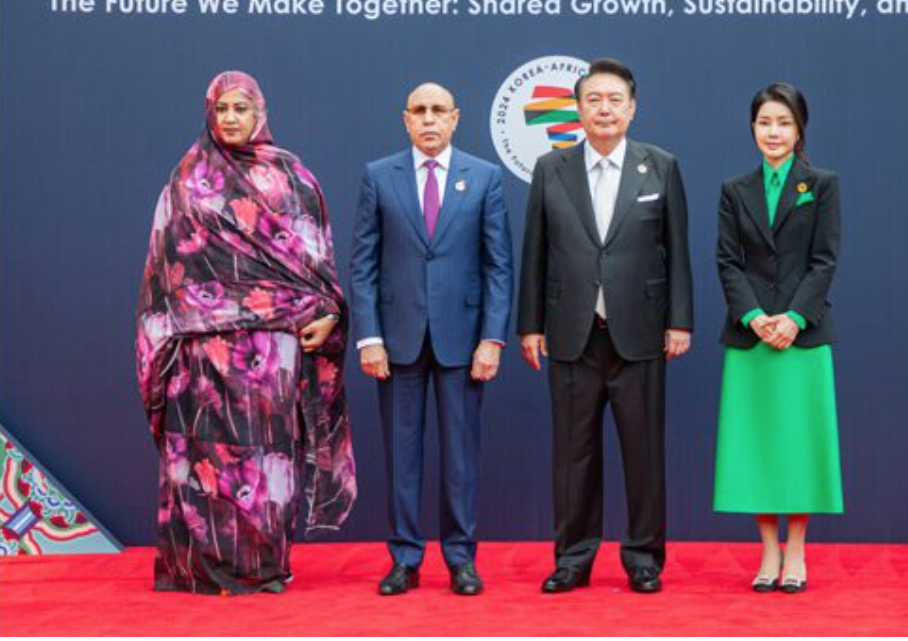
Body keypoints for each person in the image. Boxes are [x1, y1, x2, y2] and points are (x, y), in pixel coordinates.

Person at [136, 71, 356, 596]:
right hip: (201, 347)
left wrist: (327, 313)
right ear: (209, 114)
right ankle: (198, 570)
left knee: (263, 460)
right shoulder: (186, 177)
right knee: (203, 460)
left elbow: (318, 263)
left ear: (260, 113)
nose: (231, 118)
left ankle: (262, 568)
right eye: (222, 109)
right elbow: (167, 268)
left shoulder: (292, 178)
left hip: (270, 350)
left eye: (241, 108)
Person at [517, 58, 693, 594]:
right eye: (594, 98)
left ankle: (643, 558)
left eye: (615, 98)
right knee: (573, 455)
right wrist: (530, 325)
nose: (605, 108)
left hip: (639, 331)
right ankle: (573, 558)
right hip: (571, 331)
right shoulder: (552, 168)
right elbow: (535, 252)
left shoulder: (659, 165)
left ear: (633, 108)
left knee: (643, 454)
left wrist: (679, 321)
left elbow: (676, 249)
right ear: (578, 108)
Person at [349, 83, 513, 597]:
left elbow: (499, 267)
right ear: (405, 120)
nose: (429, 119)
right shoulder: (379, 176)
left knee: (460, 457)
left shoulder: (484, 177)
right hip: (396, 341)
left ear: (456, 118)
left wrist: (493, 339)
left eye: (438, 111)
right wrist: (368, 337)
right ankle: (405, 558)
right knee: (402, 455)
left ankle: (461, 559)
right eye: (419, 111)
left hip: (463, 342)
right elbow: (362, 266)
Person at [713, 82, 843, 594]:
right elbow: (727, 261)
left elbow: (825, 260)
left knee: (799, 447)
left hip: (802, 338)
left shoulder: (823, 184)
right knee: (759, 448)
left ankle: (797, 550)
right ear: (753, 129)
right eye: (765, 123)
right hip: (752, 341)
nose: (773, 132)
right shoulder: (734, 190)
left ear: (799, 129)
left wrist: (792, 318)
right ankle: (768, 550)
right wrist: (753, 318)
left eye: (783, 123)